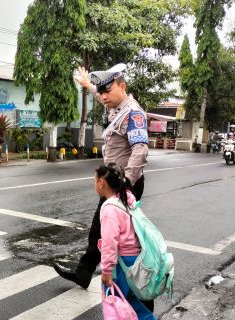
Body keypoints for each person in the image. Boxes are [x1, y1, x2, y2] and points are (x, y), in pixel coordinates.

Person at [53, 63, 153, 310]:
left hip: (124, 184)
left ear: (122, 86)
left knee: (124, 239)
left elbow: (140, 151)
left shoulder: (133, 113)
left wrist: (126, 186)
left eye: (108, 91)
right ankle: (84, 273)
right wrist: (88, 85)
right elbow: (101, 96)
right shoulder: (116, 107)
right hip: (114, 183)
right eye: (102, 92)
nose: (104, 96)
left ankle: (141, 294)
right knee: (99, 230)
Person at [95, 163, 156, 320]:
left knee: (115, 305)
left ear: (101, 182)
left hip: (121, 265)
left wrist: (107, 271)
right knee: (134, 305)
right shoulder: (127, 200)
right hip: (136, 261)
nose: (94, 184)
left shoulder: (109, 208)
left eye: (95, 180)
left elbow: (110, 242)